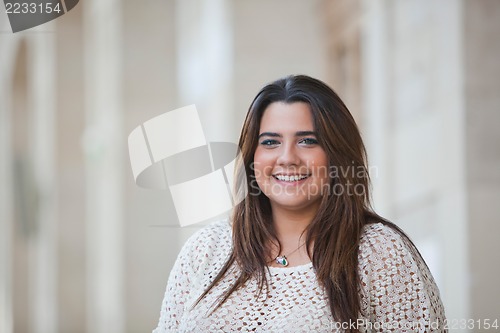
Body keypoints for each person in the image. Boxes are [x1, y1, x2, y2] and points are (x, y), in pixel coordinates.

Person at [153, 75, 446, 332]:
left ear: (336, 154)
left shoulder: (380, 252)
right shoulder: (205, 249)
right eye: (270, 142)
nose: (288, 157)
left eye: (307, 141)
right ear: (251, 156)